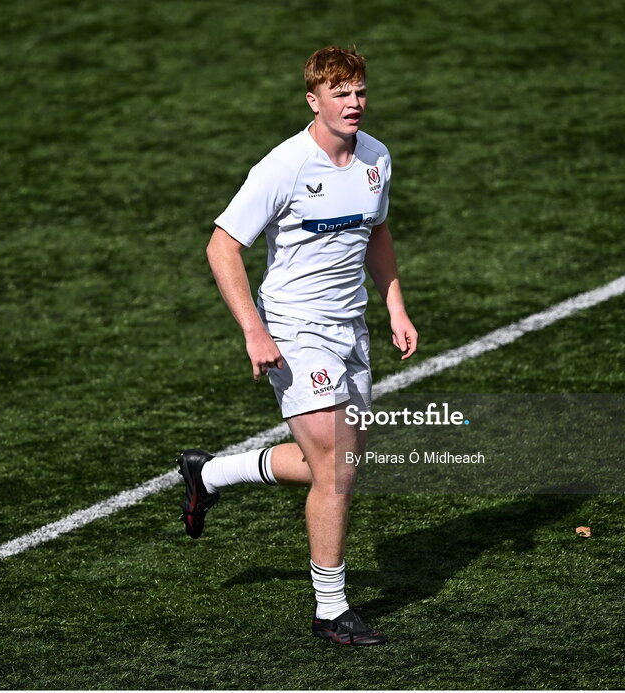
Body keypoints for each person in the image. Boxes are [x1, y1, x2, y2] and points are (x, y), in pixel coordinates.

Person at [177, 46, 418, 647]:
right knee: (335, 470)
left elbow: (377, 230)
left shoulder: (376, 158)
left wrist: (394, 304)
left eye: (360, 91)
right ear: (314, 101)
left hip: (351, 329)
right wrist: (254, 330)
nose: (354, 103)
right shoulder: (283, 167)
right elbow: (221, 246)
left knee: (332, 465)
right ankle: (330, 609)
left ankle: (210, 475)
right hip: (294, 329)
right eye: (340, 94)